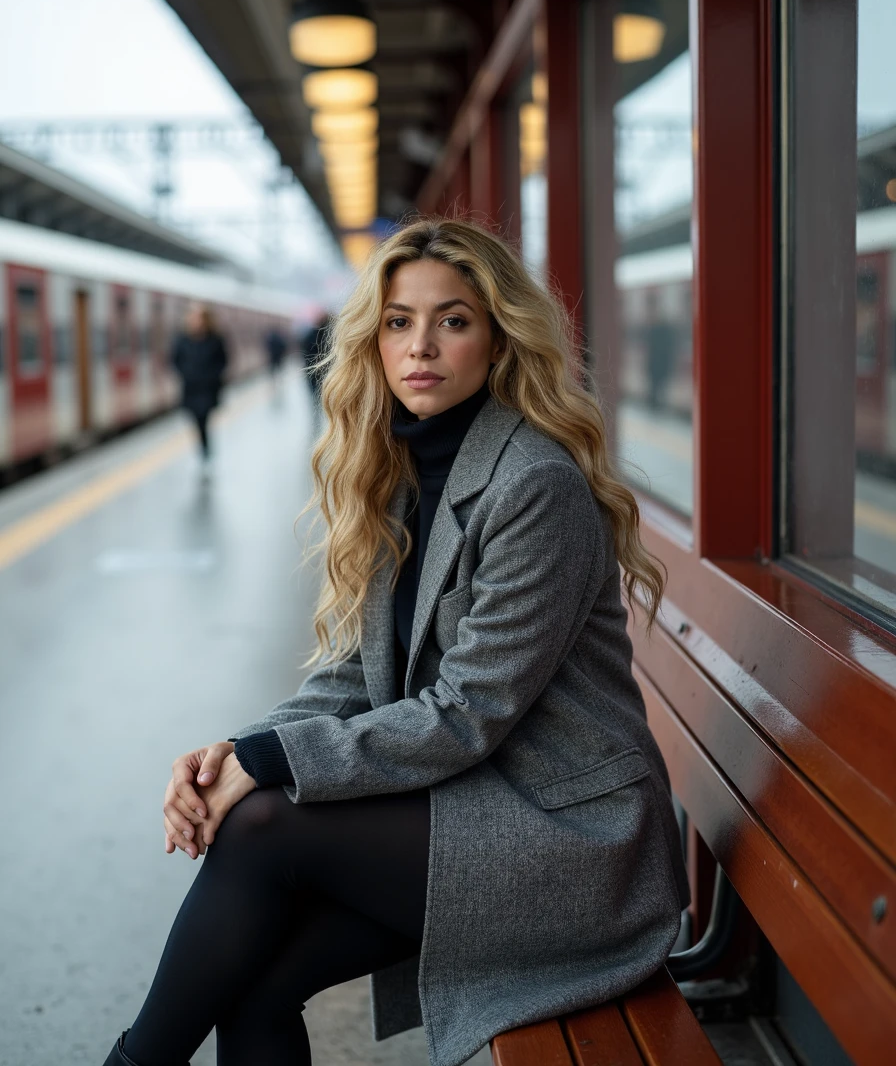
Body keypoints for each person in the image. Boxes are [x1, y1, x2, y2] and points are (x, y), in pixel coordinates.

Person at [102, 218, 689, 1066]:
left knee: (262, 826)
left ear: (498, 339)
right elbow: (354, 673)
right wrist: (233, 751)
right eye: (398, 322)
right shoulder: (401, 470)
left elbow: (466, 715)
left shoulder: (535, 487)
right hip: (476, 812)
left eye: (453, 321)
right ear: (372, 341)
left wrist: (266, 768)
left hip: (571, 844)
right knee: (253, 979)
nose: (423, 346)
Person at [170, 306, 228, 469]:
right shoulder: (182, 340)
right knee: (196, 420)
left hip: (208, 389)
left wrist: (212, 376)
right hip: (191, 389)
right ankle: (205, 451)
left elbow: (223, 361)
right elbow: (175, 360)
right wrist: (185, 373)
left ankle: (205, 452)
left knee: (204, 418)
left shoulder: (215, 339)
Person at [264, 325, 288, 393]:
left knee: (273, 369)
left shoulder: (270, 339)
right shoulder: (280, 339)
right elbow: (283, 346)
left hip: (273, 356)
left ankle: (273, 380)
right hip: (279, 356)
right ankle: (279, 379)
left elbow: (267, 347)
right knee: (279, 368)